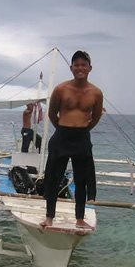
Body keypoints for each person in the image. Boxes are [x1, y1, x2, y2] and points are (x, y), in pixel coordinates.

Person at [40, 50, 103, 229]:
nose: (80, 68)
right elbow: (52, 113)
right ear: (71, 68)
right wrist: (63, 129)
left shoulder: (96, 92)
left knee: (81, 180)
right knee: (53, 177)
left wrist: (83, 130)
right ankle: (49, 217)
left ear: (90, 68)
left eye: (84, 65)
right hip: (62, 136)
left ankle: (80, 219)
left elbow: (96, 116)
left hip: (82, 137)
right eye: (76, 65)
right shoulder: (61, 89)